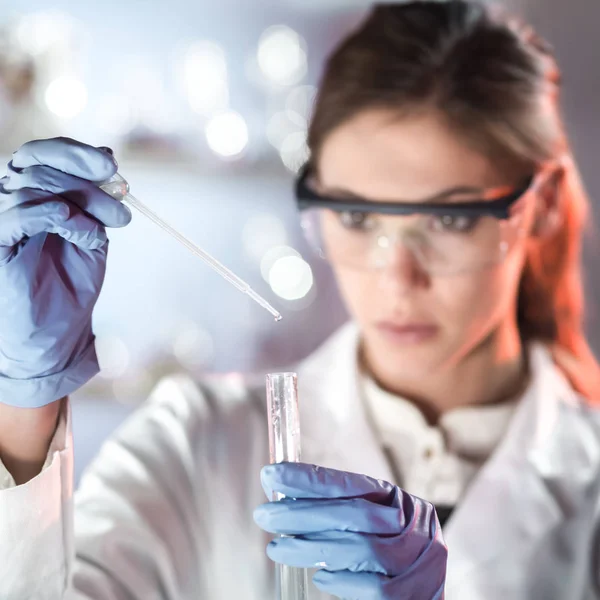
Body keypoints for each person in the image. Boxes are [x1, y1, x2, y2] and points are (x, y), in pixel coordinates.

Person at [1, 1, 599, 598]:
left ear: (541, 205)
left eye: (449, 218)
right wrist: (22, 407)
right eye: (357, 214)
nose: (397, 277)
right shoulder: (197, 442)